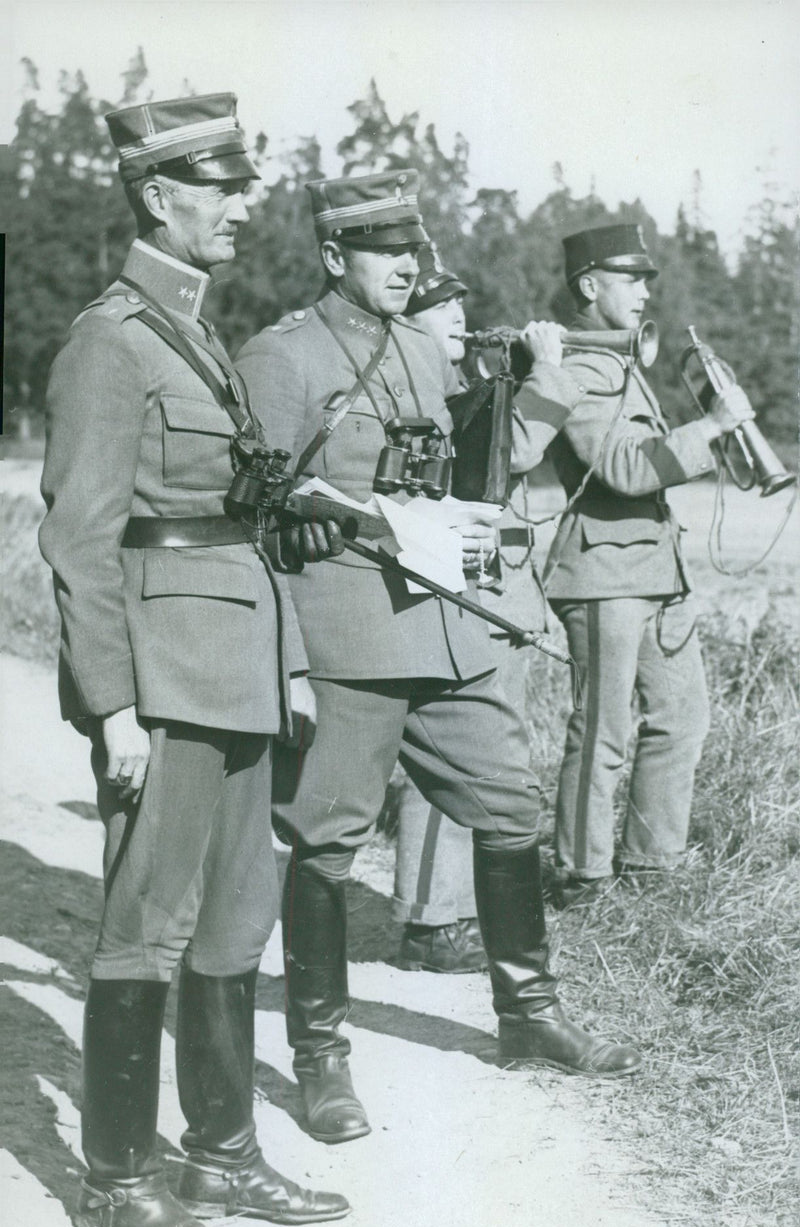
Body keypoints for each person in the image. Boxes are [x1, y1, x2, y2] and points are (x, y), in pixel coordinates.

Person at [236, 171, 641, 1148]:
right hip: (348, 637)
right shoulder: (280, 355)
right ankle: (322, 1059)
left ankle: (526, 1016)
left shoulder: (423, 346)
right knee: (327, 841)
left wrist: (525, 394)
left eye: (411, 250)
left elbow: (466, 484)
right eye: (383, 251)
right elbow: (249, 518)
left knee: (506, 804)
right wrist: (285, 658)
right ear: (334, 257)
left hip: (443, 628)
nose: (404, 265)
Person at [39, 93, 349, 1227]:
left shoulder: (194, 331)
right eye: (219, 189)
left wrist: (294, 664)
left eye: (238, 185)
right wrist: (110, 706)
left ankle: (219, 1149)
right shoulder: (110, 342)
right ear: (160, 198)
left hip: (239, 670)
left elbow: (235, 519)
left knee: (231, 926)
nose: (239, 205)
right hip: (164, 683)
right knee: (144, 930)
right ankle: (118, 1176)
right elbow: (80, 540)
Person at [543, 223, 755, 906]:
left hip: (653, 576)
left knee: (682, 717)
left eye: (646, 281)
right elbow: (625, 468)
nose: (643, 292)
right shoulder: (579, 369)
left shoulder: (621, 364)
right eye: (631, 279)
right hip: (604, 577)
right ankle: (582, 877)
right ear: (589, 285)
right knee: (602, 730)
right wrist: (715, 427)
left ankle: (653, 867)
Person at [393, 244, 580, 972]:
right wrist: (551, 368)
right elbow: (515, 452)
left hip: (492, 591)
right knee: (454, 759)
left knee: (478, 761)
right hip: (462, 592)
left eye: (461, 305)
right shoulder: (423, 383)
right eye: (443, 308)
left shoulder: (455, 375)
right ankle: (432, 920)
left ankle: (449, 911)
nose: (461, 319)